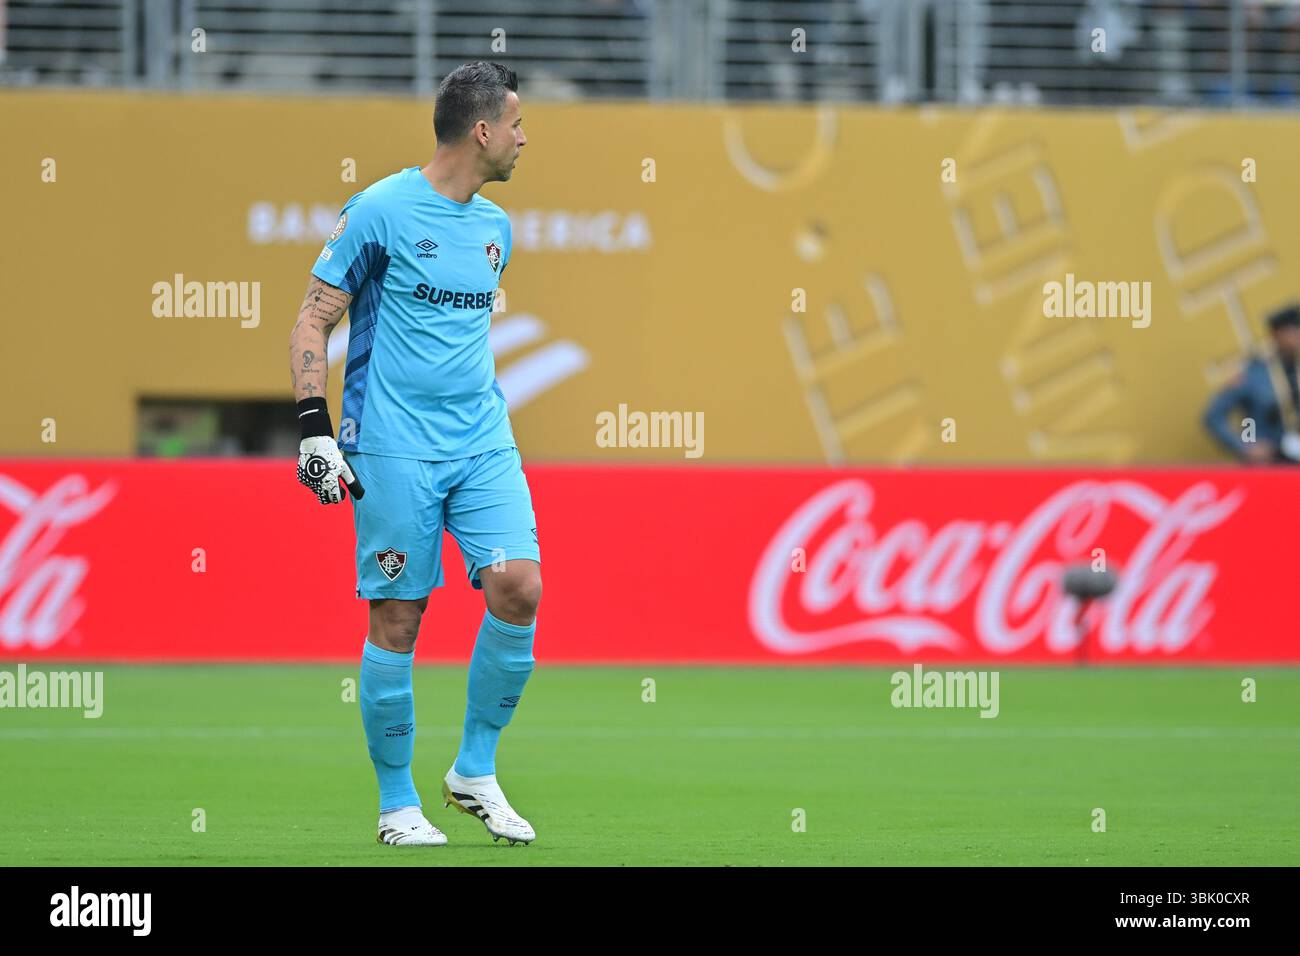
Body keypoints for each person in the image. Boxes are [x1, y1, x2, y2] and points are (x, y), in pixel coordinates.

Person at [288, 62, 539, 846]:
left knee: (519, 589)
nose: (526, 138)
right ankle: (398, 805)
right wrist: (312, 426)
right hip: (393, 444)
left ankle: (473, 771)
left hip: (482, 441)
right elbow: (311, 321)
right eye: (519, 123)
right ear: (482, 130)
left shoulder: (496, 229)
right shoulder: (380, 211)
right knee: (399, 620)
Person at [1203, 304, 1300, 464]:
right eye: (1292, 330)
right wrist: (1245, 445)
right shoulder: (1253, 372)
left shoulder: (1296, 366)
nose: (1297, 335)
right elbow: (1213, 416)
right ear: (1276, 334)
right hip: (1272, 460)